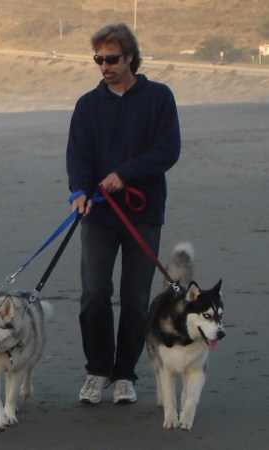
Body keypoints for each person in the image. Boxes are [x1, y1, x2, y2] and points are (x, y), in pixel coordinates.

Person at [66, 23, 181, 405]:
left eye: (111, 59)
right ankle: (97, 371)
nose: (104, 66)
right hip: (97, 214)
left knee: (135, 298)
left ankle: (125, 375)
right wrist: (80, 191)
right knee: (94, 294)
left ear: (130, 56)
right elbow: (78, 154)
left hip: (143, 212)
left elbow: (168, 150)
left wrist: (125, 173)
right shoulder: (87, 105)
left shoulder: (159, 98)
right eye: (98, 59)